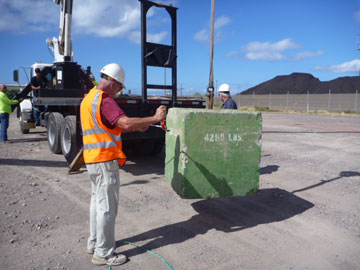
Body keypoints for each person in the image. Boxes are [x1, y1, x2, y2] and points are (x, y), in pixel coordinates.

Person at [80, 63, 167, 266]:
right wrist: (155, 117)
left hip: (93, 159)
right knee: (107, 208)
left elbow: (111, 126)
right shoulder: (106, 100)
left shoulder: (89, 98)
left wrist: (140, 126)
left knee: (97, 204)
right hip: (104, 160)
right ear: (112, 82)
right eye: (119, 87)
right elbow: (124, 123)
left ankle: (94, 243)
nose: (119, 91)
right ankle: (103, 253)